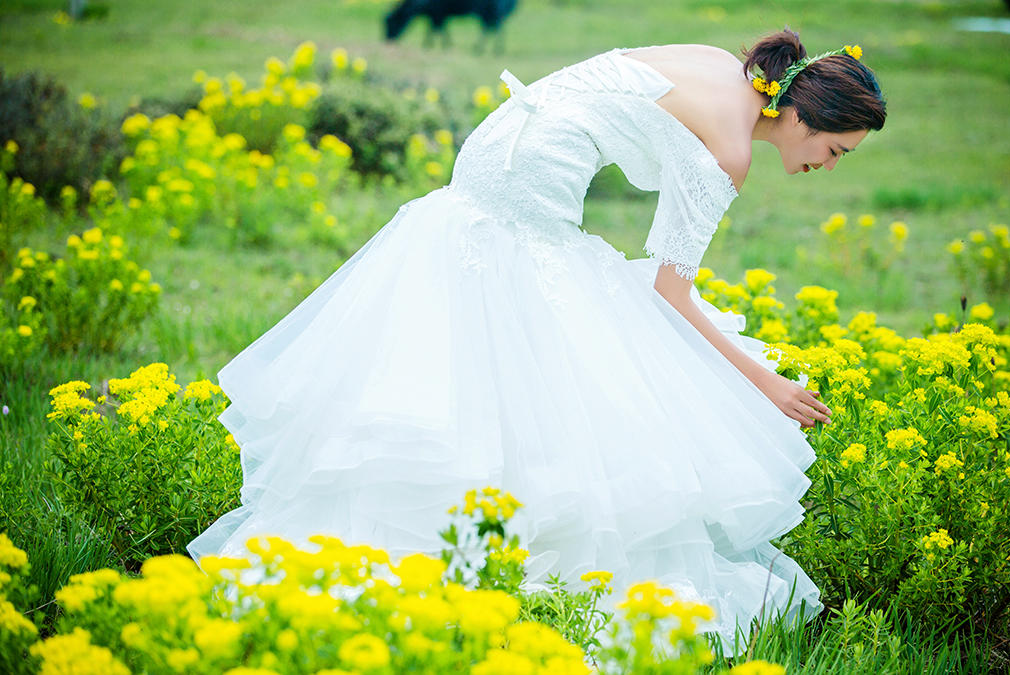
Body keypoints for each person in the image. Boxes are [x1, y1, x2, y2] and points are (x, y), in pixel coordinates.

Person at [187, 28, 886, 655]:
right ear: (806, 115)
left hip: (498, 139)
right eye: (834, 149)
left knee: (516, 319)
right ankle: (514, 530)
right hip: (529, 177)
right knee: (557, 332)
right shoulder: (732, 151)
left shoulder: (722, 68)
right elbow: (668, 296)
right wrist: (763, 382)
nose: (827, 166)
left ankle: (474, 498)